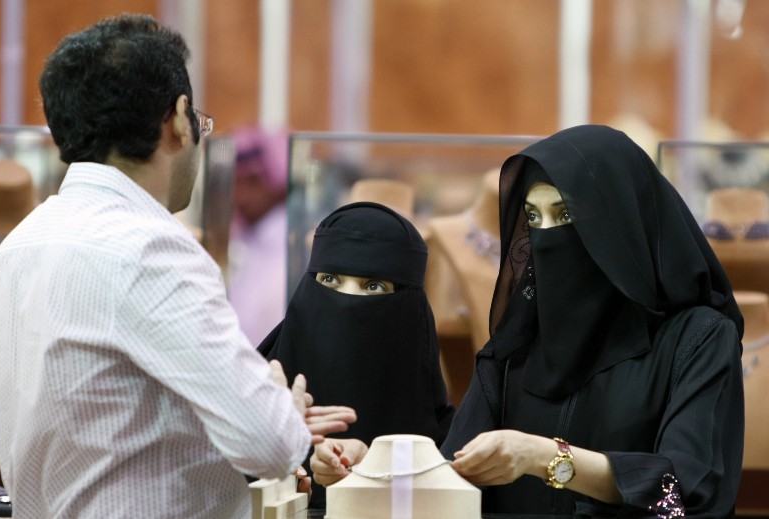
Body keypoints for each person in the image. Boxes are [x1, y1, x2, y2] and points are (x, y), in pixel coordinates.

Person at [0, 14, 354, 519]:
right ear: (179, 118)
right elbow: (270, 445)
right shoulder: (153, 247)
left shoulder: (17, 249)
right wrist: (280, 407)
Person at [311, 125, 745, 517]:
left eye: (566, 214)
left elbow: (683, 496)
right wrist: (365, 463)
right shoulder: (517, 348)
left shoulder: (697, 340)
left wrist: (548, 458)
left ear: (620, 223)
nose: (548, 236)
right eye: (534, 218)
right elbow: (453, 476)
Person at [258, 201, 455, 509]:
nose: (347, 301)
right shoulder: (256, 409)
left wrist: (375, 468)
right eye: (330, 280)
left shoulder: (449, 449)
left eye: (373, 286)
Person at [228, 126, 290, 345]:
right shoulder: (243, 240)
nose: (241, 195)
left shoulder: (293, 241)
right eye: (235, 181)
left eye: (253, 181)